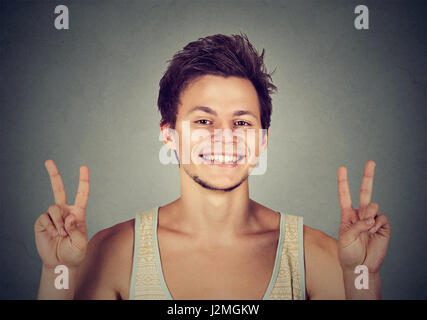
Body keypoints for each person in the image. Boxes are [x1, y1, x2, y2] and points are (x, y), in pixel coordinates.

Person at [34, 33, 390, 300]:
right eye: (204, 122)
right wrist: (57, 271)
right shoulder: (113, 252)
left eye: (242, 122)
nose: (225, 137)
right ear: (169, 135)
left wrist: (363, 277)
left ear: (262, 141)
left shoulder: (317, 255)